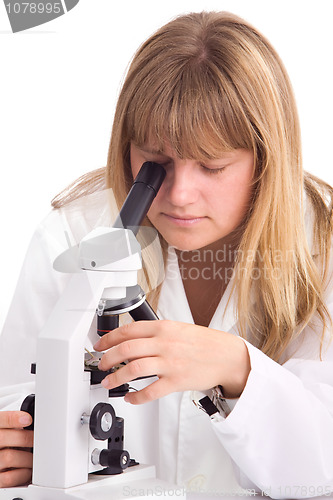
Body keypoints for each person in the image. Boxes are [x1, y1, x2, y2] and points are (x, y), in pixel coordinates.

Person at [1, 10, 333, 497]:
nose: (179, 195)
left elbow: (321, 463)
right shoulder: (74, 234)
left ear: (266, 158)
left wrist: (236, 368)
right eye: (155, 163)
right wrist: (22, 446)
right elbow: (16, 388)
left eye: (213, 166)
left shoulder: (320, 247)